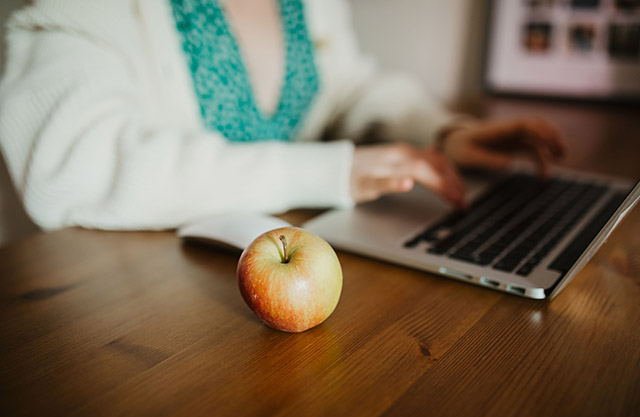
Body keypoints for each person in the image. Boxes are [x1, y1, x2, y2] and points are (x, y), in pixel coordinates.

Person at [0, 0, 564, 231]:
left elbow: (343, 87)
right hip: (131, 322)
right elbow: (75, 169)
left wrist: (442, 134)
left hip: (302, 272)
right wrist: (327, 172)